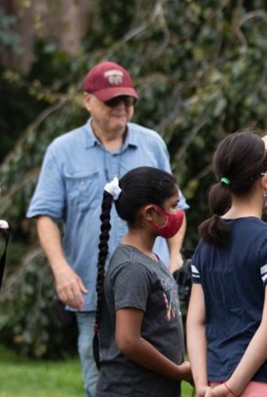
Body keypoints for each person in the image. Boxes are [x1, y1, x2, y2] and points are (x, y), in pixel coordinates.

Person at [26, 61, 188, 397]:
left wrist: (175, 257)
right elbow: (45, 215)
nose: (122, 108)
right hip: (92, 295)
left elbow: (177, 206)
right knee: (102, 383)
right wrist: (61, 271)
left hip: (153, 293)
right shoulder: (62, 150)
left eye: (127, 100)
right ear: (87, 101)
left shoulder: (152, 144)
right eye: (112, 100)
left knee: (157, 376)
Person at [187, 131, 267, 397]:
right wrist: (233, 387)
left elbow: (195, 321)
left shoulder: (207, 242)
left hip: (213, 384)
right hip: (264, 383)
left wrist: (203, 385)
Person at [94, 167, 192, 396]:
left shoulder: (150, 259)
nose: (178, 213)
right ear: (149, 213)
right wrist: (177, 371)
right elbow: (128, 340)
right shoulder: (133, 268)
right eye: (173, 206)